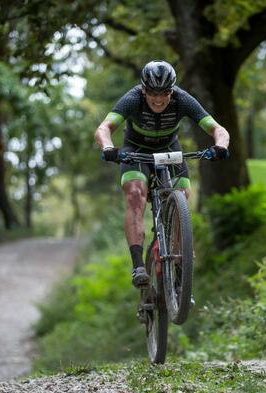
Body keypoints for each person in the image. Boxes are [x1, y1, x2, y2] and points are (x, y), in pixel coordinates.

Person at [94, 60, 230, 287]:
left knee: (182, 195)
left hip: (170, 150)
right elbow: (104, 128)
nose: (159, 99)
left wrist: (221, 146)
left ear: (172, 90)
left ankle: (176, 262)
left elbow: (218, 129)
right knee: (135, 194)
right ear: (144, 90)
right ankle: (138, 265)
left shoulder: (182, 99)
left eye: (165, 93)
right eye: (153, 93)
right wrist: (109, 148)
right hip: (135, 151)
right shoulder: (132, 98)